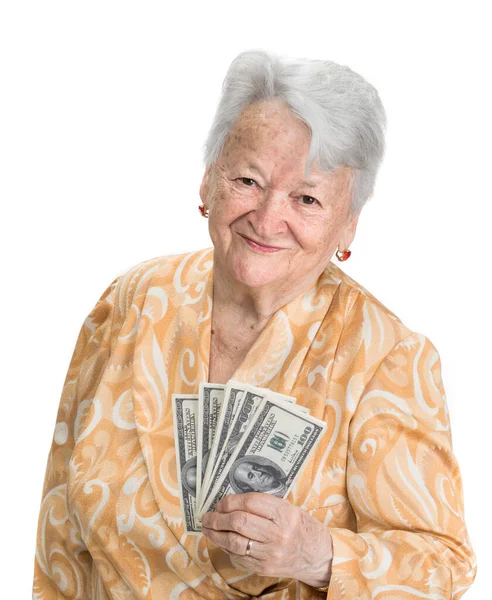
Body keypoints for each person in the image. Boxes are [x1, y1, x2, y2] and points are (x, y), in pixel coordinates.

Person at [32, 50, 477, 598]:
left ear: (347, 228)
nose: (268, 219)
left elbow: (445, 565)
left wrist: (320, 555)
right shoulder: (129, 303)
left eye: (307, 198)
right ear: (206, 182)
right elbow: (60, 536)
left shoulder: (386, 357)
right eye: (248, 180)